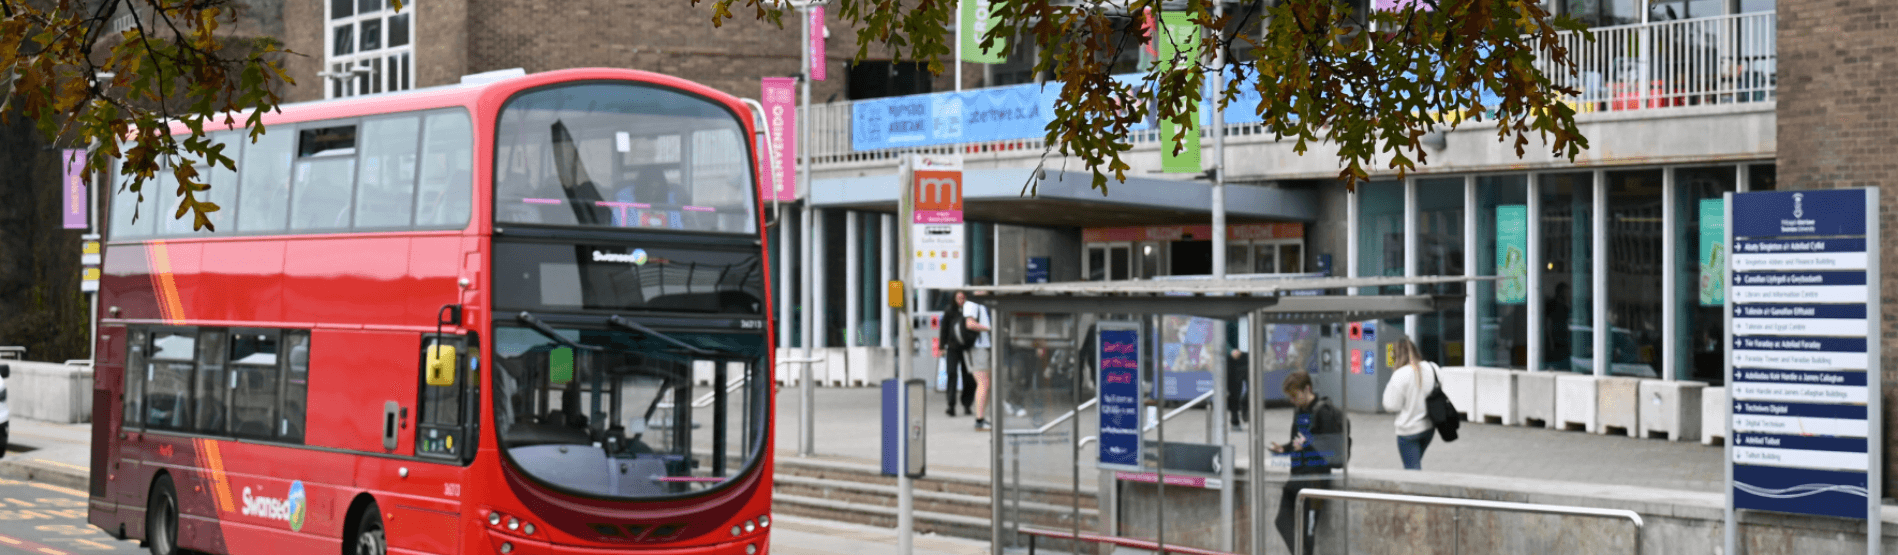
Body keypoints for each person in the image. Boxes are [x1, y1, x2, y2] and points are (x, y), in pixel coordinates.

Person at [1270, 370, 1346, 555]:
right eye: (1290, 397)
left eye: (1295, 396)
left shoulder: (1323, 412)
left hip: (1316, 480)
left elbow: (1333, 450)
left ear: (1307, 389)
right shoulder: (1299, 411)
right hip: (1297, 478)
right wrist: (1284, 448)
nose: (1292, 401)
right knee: (1282, 520)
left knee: (1308, 533)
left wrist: (1309, 443)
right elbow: (1299, 441)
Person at [1381, 338, 1437, 470]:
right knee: (1414, 463)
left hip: (1408, 430)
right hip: (1429, 427)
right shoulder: (1432, 368)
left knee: (1412, 470)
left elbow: (1391, 405)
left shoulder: (1400, 375)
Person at [963, 285, 995, 431]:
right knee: (983, 383)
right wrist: (990, 328)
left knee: (987, 384)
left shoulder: (985, 304)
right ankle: (979, 420)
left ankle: (982, 418)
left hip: (985, 347)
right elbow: (969, 324)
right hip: (977, 348)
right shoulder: (972, 303)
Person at [939, 293, 974, 417]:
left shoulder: (970, 311)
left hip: (966, 348)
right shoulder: (949, 311)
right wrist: (941, 346)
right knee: (951, 374)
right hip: (952, 348)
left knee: (968, 377)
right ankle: (951, 405)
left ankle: (967, 404)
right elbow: (944, 328)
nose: (960, 300)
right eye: (958, 298)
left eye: (963, 298)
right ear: (954, 299)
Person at [1226, 348, 1250, 429]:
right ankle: (1235, 420)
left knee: (1253, 388)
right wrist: (1230, 350)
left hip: (1250, 355)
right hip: (1232, 358)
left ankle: (1245, 405)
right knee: (1234, 391)